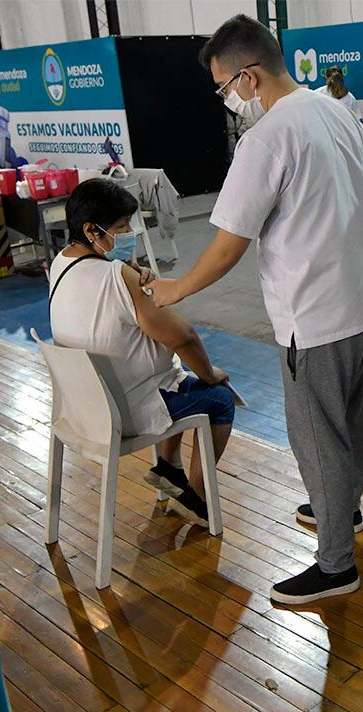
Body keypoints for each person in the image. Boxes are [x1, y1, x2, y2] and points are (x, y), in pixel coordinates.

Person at [146, 15, 363, 605]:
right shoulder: (331, 109)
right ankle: (344, 512)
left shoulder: (265, 139)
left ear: (249, 77)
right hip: (362, 300)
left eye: (225, 88)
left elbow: (229, 242)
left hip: (315, 313)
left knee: (316, 438)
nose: (227, 102)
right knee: (346, 423)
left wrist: (175, 289)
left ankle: (336, 564)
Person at [48, 179, 236, 527]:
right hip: (124, 412)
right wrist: (210, 375)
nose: (131, 233)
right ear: (92, 230)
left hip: (84, 407)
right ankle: (196, 497)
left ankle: (168, 466)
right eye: (122, 227)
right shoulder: (114, 275)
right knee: (218, 396)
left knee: (174, 376)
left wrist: (131, 276)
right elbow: (184, 338)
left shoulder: (62, 263)